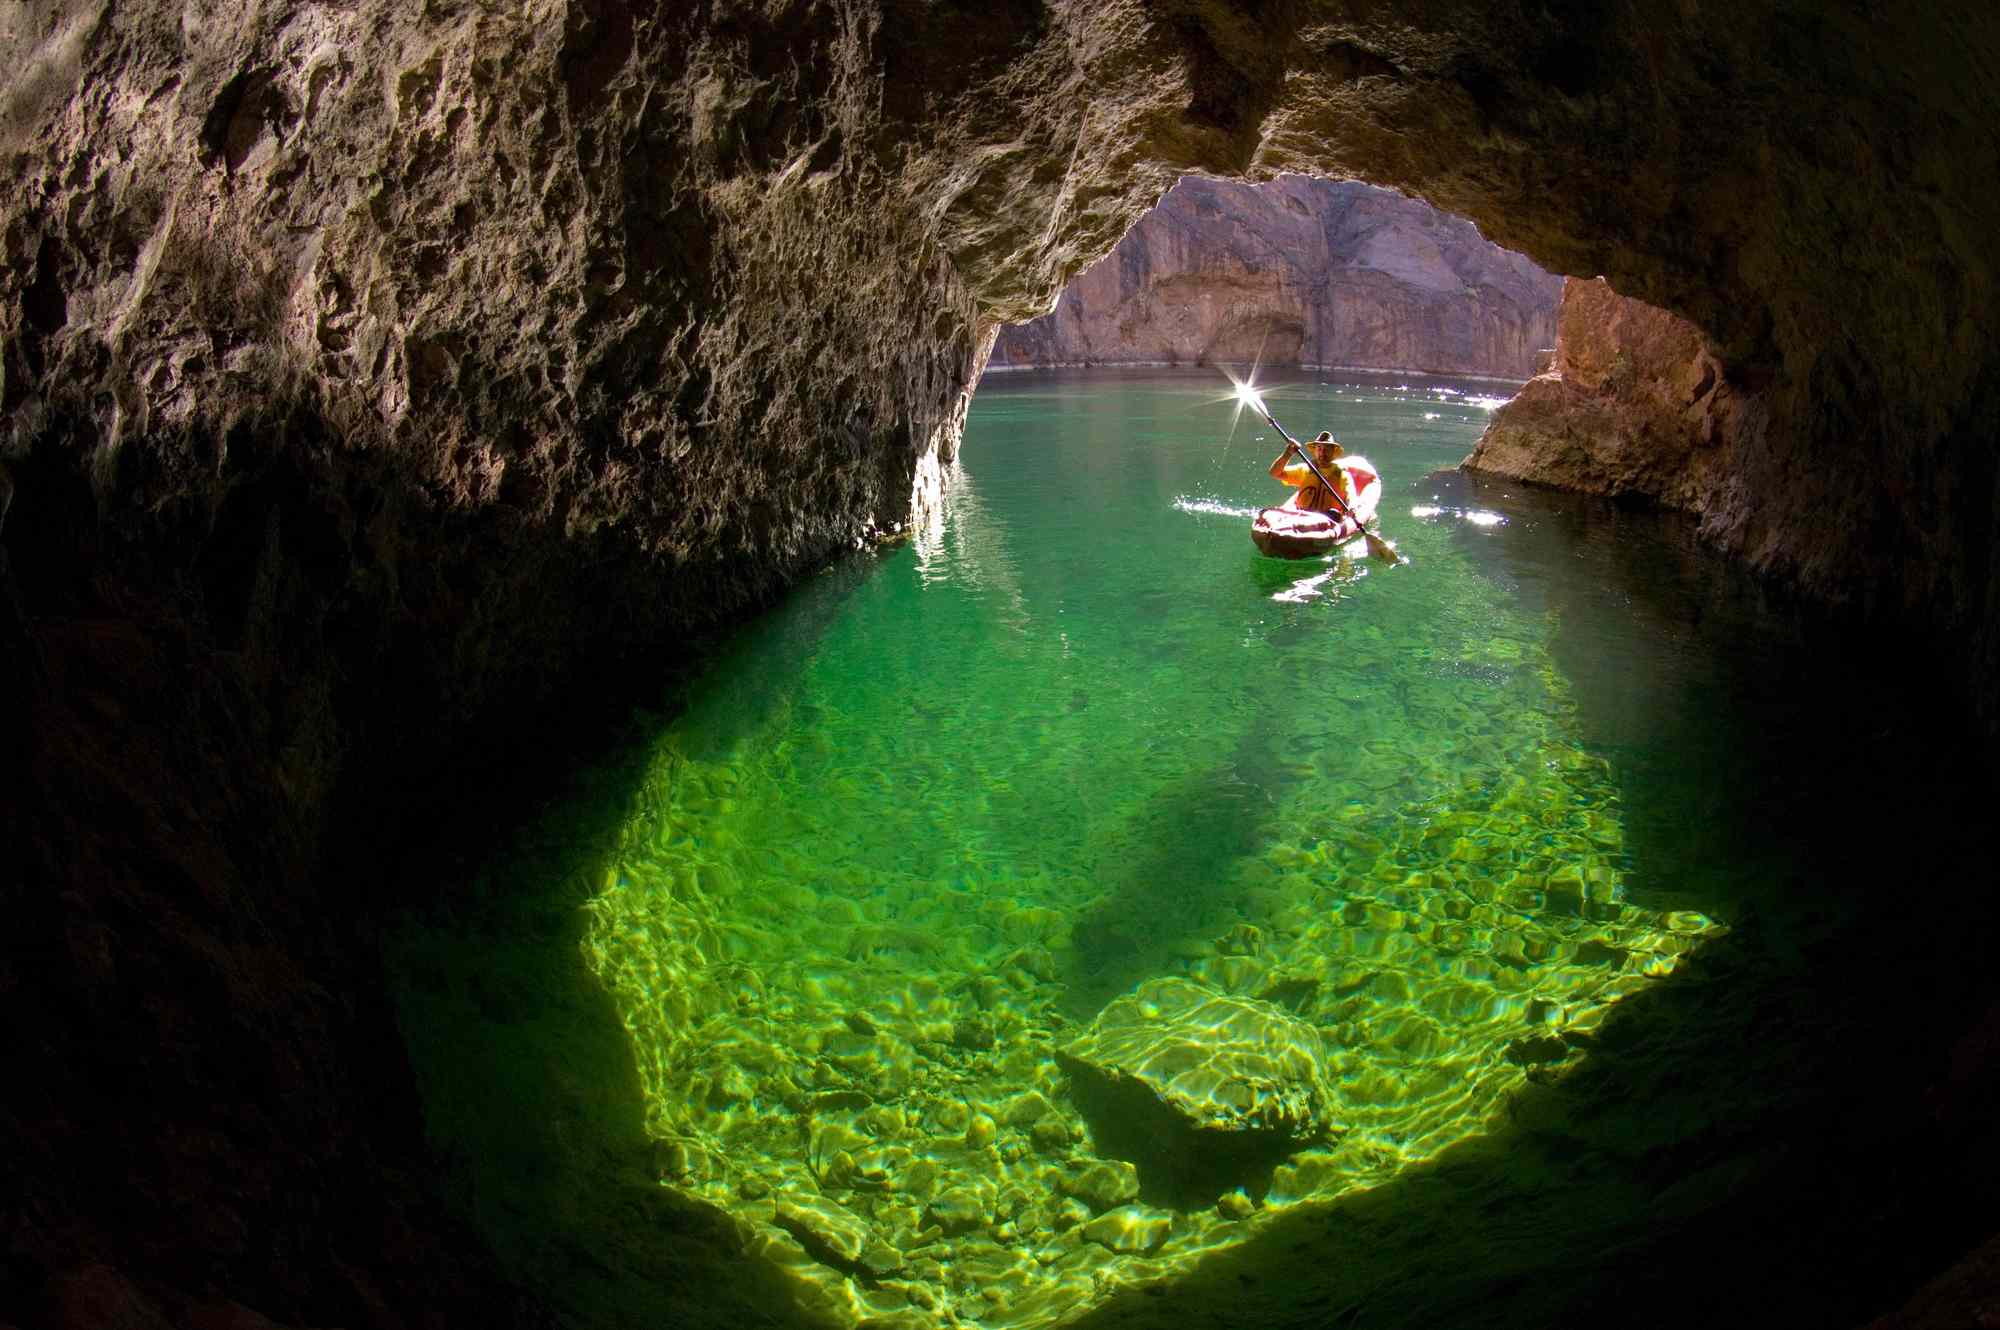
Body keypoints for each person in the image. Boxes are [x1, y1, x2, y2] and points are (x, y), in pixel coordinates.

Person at [1268, 430, 1372, 516]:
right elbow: (1274, 473)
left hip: (1328, 519)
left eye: (1327, 449)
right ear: (1315, 451)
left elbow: (1351, 494)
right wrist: (1288, 453)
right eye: (1319, 448)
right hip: (1301, 516)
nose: (1322, 453)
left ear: (1333, 452)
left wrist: (1352, 507)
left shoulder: (1341, 474)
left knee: (1334, 514)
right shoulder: (1305, 470)